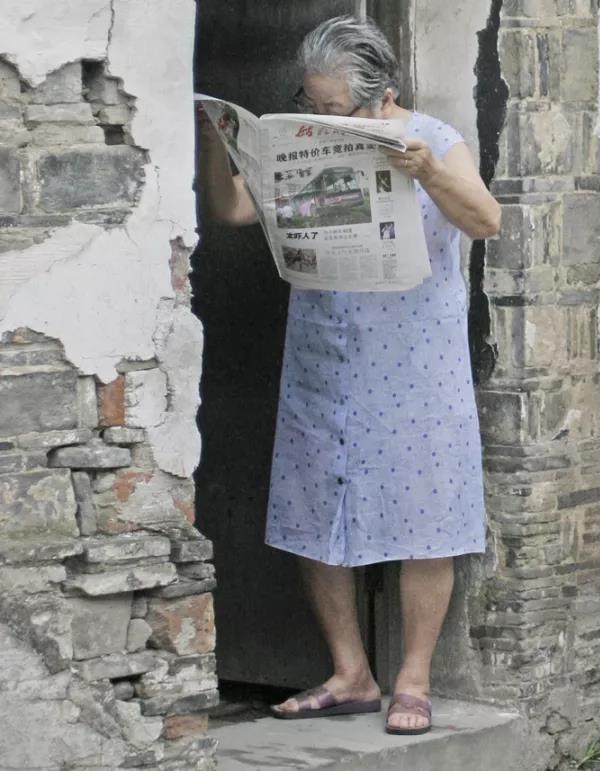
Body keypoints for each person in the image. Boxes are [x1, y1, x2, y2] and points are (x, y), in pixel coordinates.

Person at [196, 15, 501, 734]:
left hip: (415, 359)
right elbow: (231, 207)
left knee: (426, 513)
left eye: (334, 108)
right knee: (314, 508)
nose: (320, 116)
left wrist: (428, 173)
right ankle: (350, 672)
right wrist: (216, 144)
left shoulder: (434, 138)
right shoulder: (305, 143)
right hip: (324, 354)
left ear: (381, 95)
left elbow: (485, 219)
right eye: (310, 103)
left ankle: (414, 679)